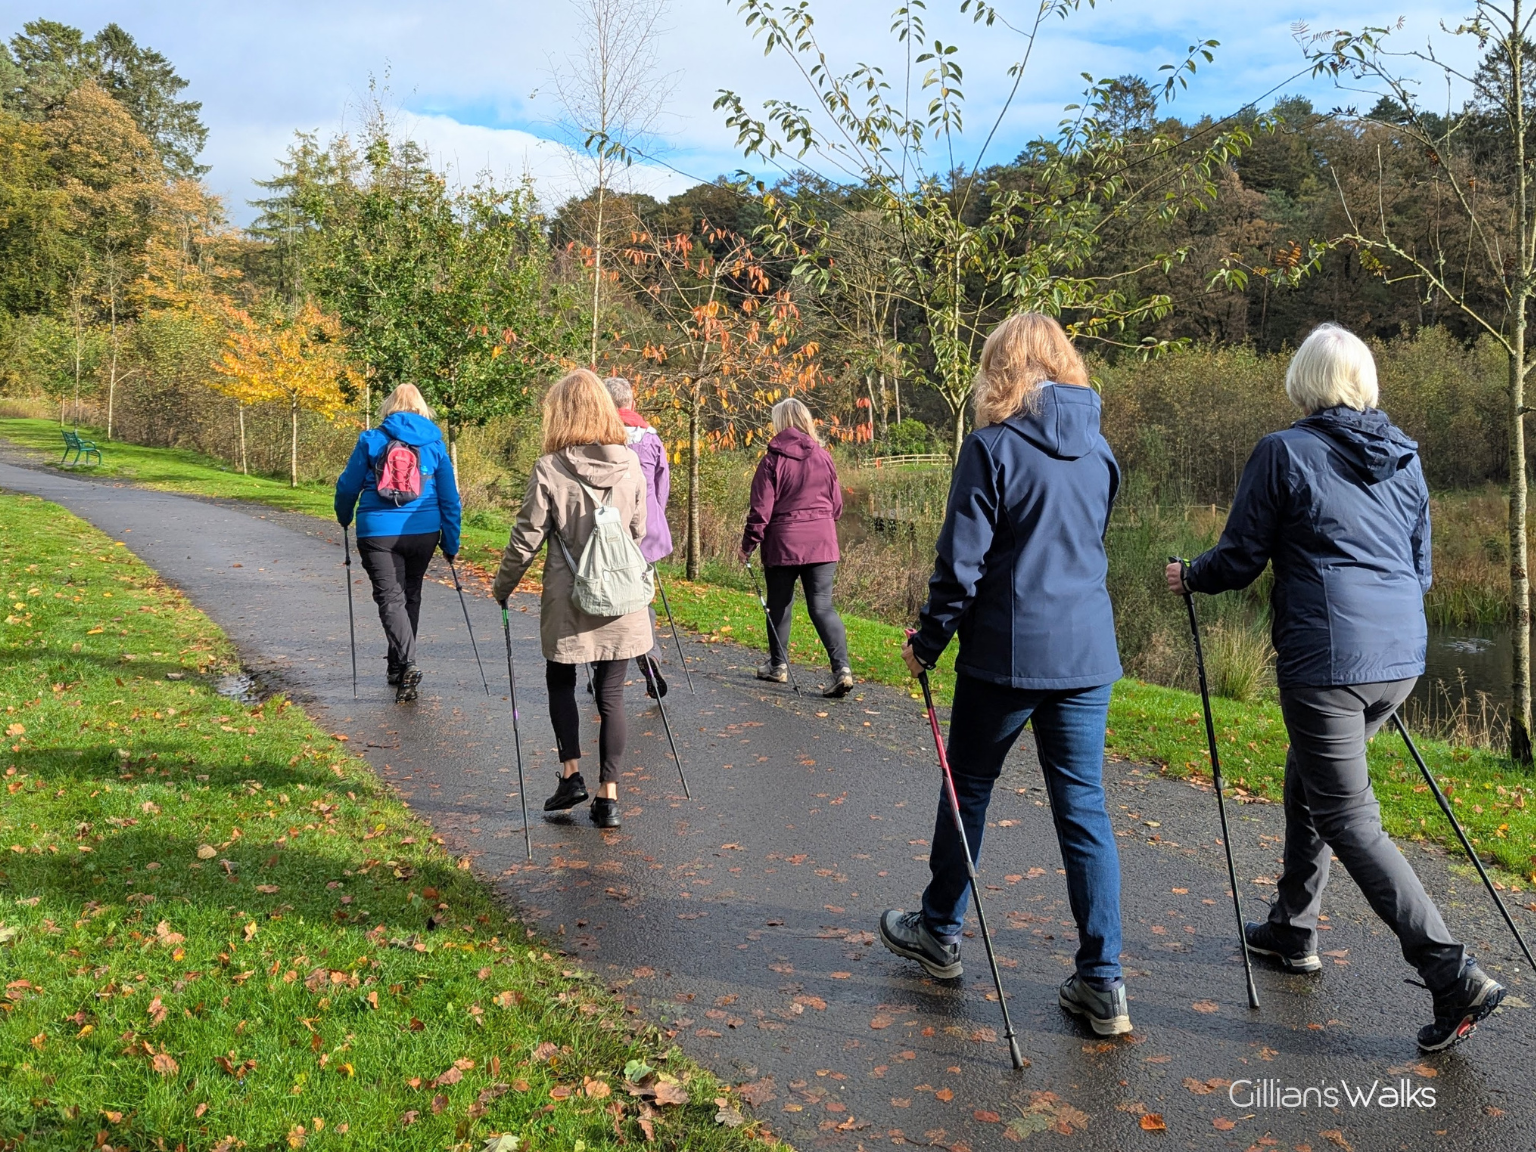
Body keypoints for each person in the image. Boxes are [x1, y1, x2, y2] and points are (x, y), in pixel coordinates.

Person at [1166, 322, 1501, 1052]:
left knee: (1349, 816)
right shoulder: (1406, 458)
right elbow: (1421, 570)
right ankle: (1293, 928)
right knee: (1308, 779)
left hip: (1327, 663)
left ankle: (1452, 972)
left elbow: (1242, 557)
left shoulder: (1283, 451)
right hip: (1400, 658)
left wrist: (1189, 573)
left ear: (1304, 380)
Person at [882, 312, 1131, 1037]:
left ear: (1002, 372)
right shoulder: (1101, 453)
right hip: (1087, 655)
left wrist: (927, 643)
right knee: (1084, 809)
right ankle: (1103, 982)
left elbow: (960, 568)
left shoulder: (989, 449)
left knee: (970, 791)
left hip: (1009, 653)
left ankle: (939, 932)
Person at [491, 368, 651, 830]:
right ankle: (610, 797)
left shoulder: (550, 468)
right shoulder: (631, 463)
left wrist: (504, 586)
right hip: (621, 594)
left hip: (569, 594)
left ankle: (571, 775)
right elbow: (639, 530)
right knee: (611, 694)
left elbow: (526, 537)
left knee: (561, 682)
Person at [334, 383, 462, 703]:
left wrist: (344, 515)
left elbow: (347, 486)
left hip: (377, 532)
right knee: (411, 595)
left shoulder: (371, 439)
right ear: (422, 407)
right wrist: (451, 540)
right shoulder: (435, 443)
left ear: (389, 406)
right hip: (424, 530)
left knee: (391, 599)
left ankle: (406, 664)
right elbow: (450, 498)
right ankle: (399, 666)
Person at [737, 397, 853, 698]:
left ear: (780, 423)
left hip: (784, 543)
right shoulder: (824, 457)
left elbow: (760, 510)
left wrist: (748, 544)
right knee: (822, 606)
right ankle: (842, 669)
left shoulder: (772, 459)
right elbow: (836, 506)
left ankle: (778, 666)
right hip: (822, 542)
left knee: (779, 604)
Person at [605, 374, 672, 699]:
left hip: (608, 527)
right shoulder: (650, 437)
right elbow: (662, 486)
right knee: (639, 597)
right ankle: (649, 655)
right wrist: (652, 520)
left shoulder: (597, 434)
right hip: (645, 531)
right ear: (631, 403)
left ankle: (602, 670)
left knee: (601, 596)